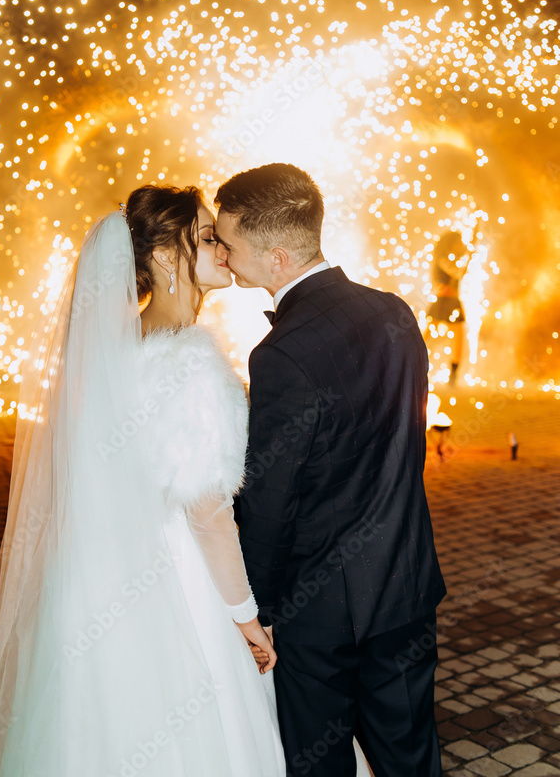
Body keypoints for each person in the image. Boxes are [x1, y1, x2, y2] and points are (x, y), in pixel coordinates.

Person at [0, 185, 285, 777]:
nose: (225, 249)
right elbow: (208, 516)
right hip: (179, 582)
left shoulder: (110, 352)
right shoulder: (188, 361)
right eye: (208, 238)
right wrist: (245, 618)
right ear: (165, 257)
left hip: (95, 583)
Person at [214, 163, 446, 777]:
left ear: (280, 256)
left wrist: (253, 607)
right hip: (405, 585)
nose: (224, 255)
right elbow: (400, 445)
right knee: (410, 757)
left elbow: (269, 501)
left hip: (323, 610)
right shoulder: (395, 314)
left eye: (229, 243)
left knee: (318, 764)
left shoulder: (282, 355)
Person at [423, 230, 470, 385]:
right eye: (458, 242)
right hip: (443, 301)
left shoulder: (453, 259)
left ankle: (453, 376)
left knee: (458, 339)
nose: (460, 245)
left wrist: (467, 257)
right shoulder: (443, 259)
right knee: (425, 336)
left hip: (453, 301)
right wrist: (468, 259)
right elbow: (457, 273)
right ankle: (409, 358)